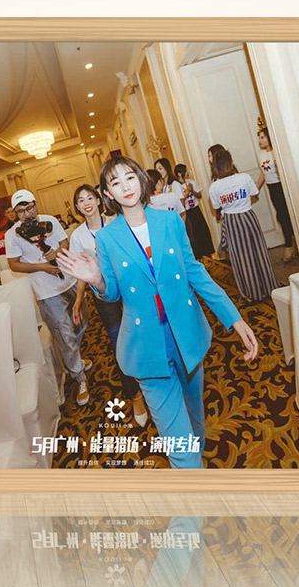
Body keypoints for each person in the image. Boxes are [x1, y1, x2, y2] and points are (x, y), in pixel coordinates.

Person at [56, 156, 259, 469]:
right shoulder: (107, 238)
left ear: (140, 178)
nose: (125, 187)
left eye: (129, 177)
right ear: (107, 194)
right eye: (114, 183)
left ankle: (197, 462)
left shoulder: (170, 221)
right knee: (178, 443)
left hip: (186, 333)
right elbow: (113, 292)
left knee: (195, 415)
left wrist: (235, 318)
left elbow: (195, 272)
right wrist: (97, 280)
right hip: (146, 345)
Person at [69, 184, 149, 426]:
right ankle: (135, 395)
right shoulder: (78, 237)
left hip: (129, 286)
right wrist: (79, 299)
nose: (86, 203)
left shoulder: (116, 221)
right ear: (77, 207)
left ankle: (152, 381)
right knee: (119, 342)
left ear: (98, 199)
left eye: (89, 197)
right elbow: (82, 273)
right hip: (102, 294)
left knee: (144, 332)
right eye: (81, 200)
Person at [5, 189, 90, 407]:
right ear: (15, 214)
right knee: (64, 334)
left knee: (82, 323)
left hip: (69, 280)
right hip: (47, 292)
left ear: (35, 204)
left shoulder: (49, 221)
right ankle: (79, 376)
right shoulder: (12, 235)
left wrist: (57, 253)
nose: (27, 214)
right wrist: (42, 266)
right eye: (21, 211)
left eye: (29, 208)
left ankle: (74, 359)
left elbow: (64, 243)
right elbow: (13, 264)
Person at [209, 149, 280, 302]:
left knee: (241, 258)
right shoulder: (244, 177)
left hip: (232, 221)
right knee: (259, 251)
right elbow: (254, 194)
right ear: (231, 162)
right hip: (248, 216)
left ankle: (252, 293)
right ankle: (269, 287)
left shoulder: (214, 187)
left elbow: (216, 206)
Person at [256, 127, 296, 262]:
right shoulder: (262, 155)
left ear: (269, 138)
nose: (260, 140)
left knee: (285, 215)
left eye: (262, 137)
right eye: (259, 138)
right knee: (281, 216)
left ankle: (290, 245)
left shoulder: (276, 152)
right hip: (271, 187)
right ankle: (292, 241)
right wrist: (257, 188)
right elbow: (263, 172)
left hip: (281, 186)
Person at [173, 163, 214, 260]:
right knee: (193, 236)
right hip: (187, 213)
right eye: (186, 171)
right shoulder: (176, 185)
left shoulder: (191, 182)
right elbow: (180, 200)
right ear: (179, 174)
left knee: (203, 232)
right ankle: (198, 258)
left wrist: (192, 191)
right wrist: (187, 191)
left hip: (196, 210)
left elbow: (199, 195)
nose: (188, 172)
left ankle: (208, 256)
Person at [207, 144, 229, 260]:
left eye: (210, 156)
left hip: (229, 212)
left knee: (224, 247)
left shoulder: (225, 173)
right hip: (223, 212)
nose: (209, 159)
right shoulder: (215, 174)